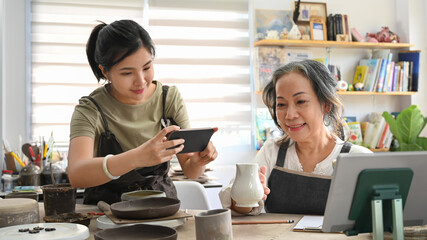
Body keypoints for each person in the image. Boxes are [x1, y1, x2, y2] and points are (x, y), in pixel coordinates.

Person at [67, 20, 218, 205]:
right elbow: (76, 174)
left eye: (147, 67)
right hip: (106, 212)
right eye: (126, 73)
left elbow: (190, 171)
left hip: (161, 209)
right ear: (105, 72)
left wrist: (199, 161)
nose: (141, 81)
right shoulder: (90, 109)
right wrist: (138, 157)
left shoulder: (168, 99)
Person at [219, 60, 371, 215]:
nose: (290, 115)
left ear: (326, 105)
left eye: (301, 101)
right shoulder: (272, 151)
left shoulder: (357, 158)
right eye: (281, 104)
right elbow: (237, 209)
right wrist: (246, 195)